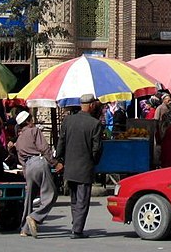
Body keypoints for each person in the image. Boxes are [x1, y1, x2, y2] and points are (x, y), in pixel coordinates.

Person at [56, 93, 103, 239]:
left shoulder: (68, 121)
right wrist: (94, 161)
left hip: (70, 167)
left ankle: (76, 223)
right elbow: (97, 149)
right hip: (85, 167)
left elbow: (61, 142)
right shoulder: (95, 124)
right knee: (82, 200)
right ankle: (77, 229)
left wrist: (59, 159)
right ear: (91, 106)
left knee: (74, 199)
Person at [16, 111, 62, 239]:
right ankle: (35, 217)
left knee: (29, 198)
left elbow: (21, 161)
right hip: (39, 163)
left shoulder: (19, 140)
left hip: (28, 168)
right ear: (28, 121)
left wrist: (27, 177)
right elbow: (44, 148)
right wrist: (54, 163)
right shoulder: (34, 131)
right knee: (51, 195)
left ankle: (24, 229)